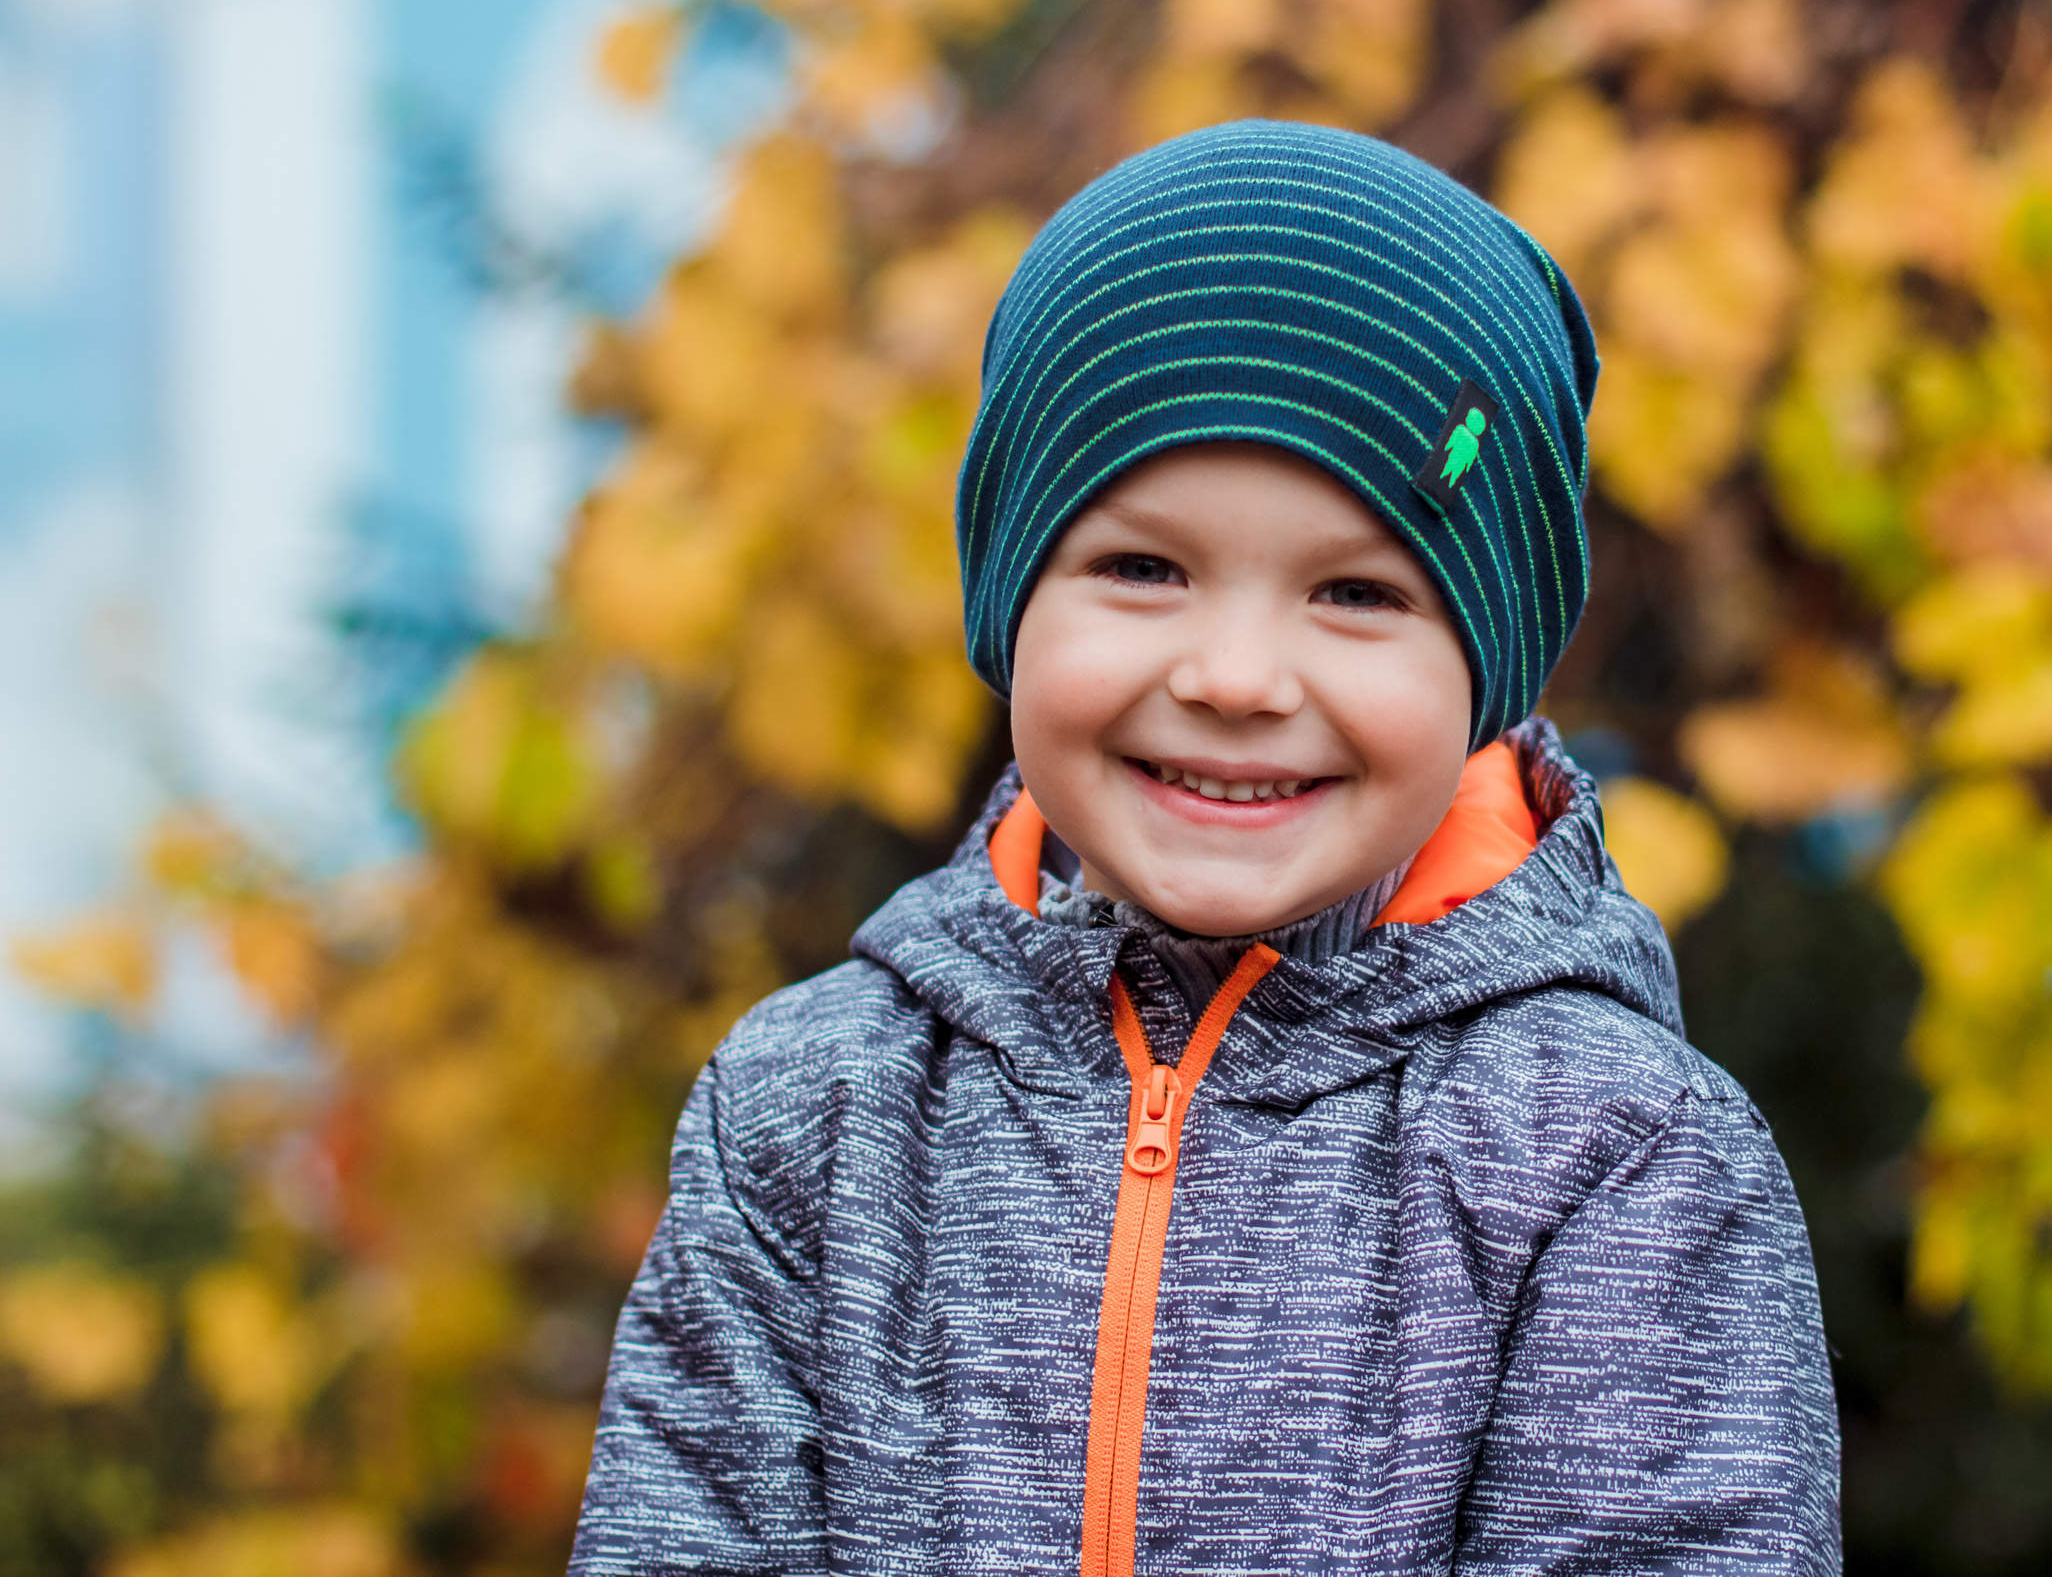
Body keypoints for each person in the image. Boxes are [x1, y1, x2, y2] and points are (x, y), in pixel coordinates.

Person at [569, 119, 1841, 1575]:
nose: (1237, 676)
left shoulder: (1606, 1152)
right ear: (1010, 601)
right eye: (1142, 569)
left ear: (1483, 672)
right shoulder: (813, 1113)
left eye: (1357, 593)